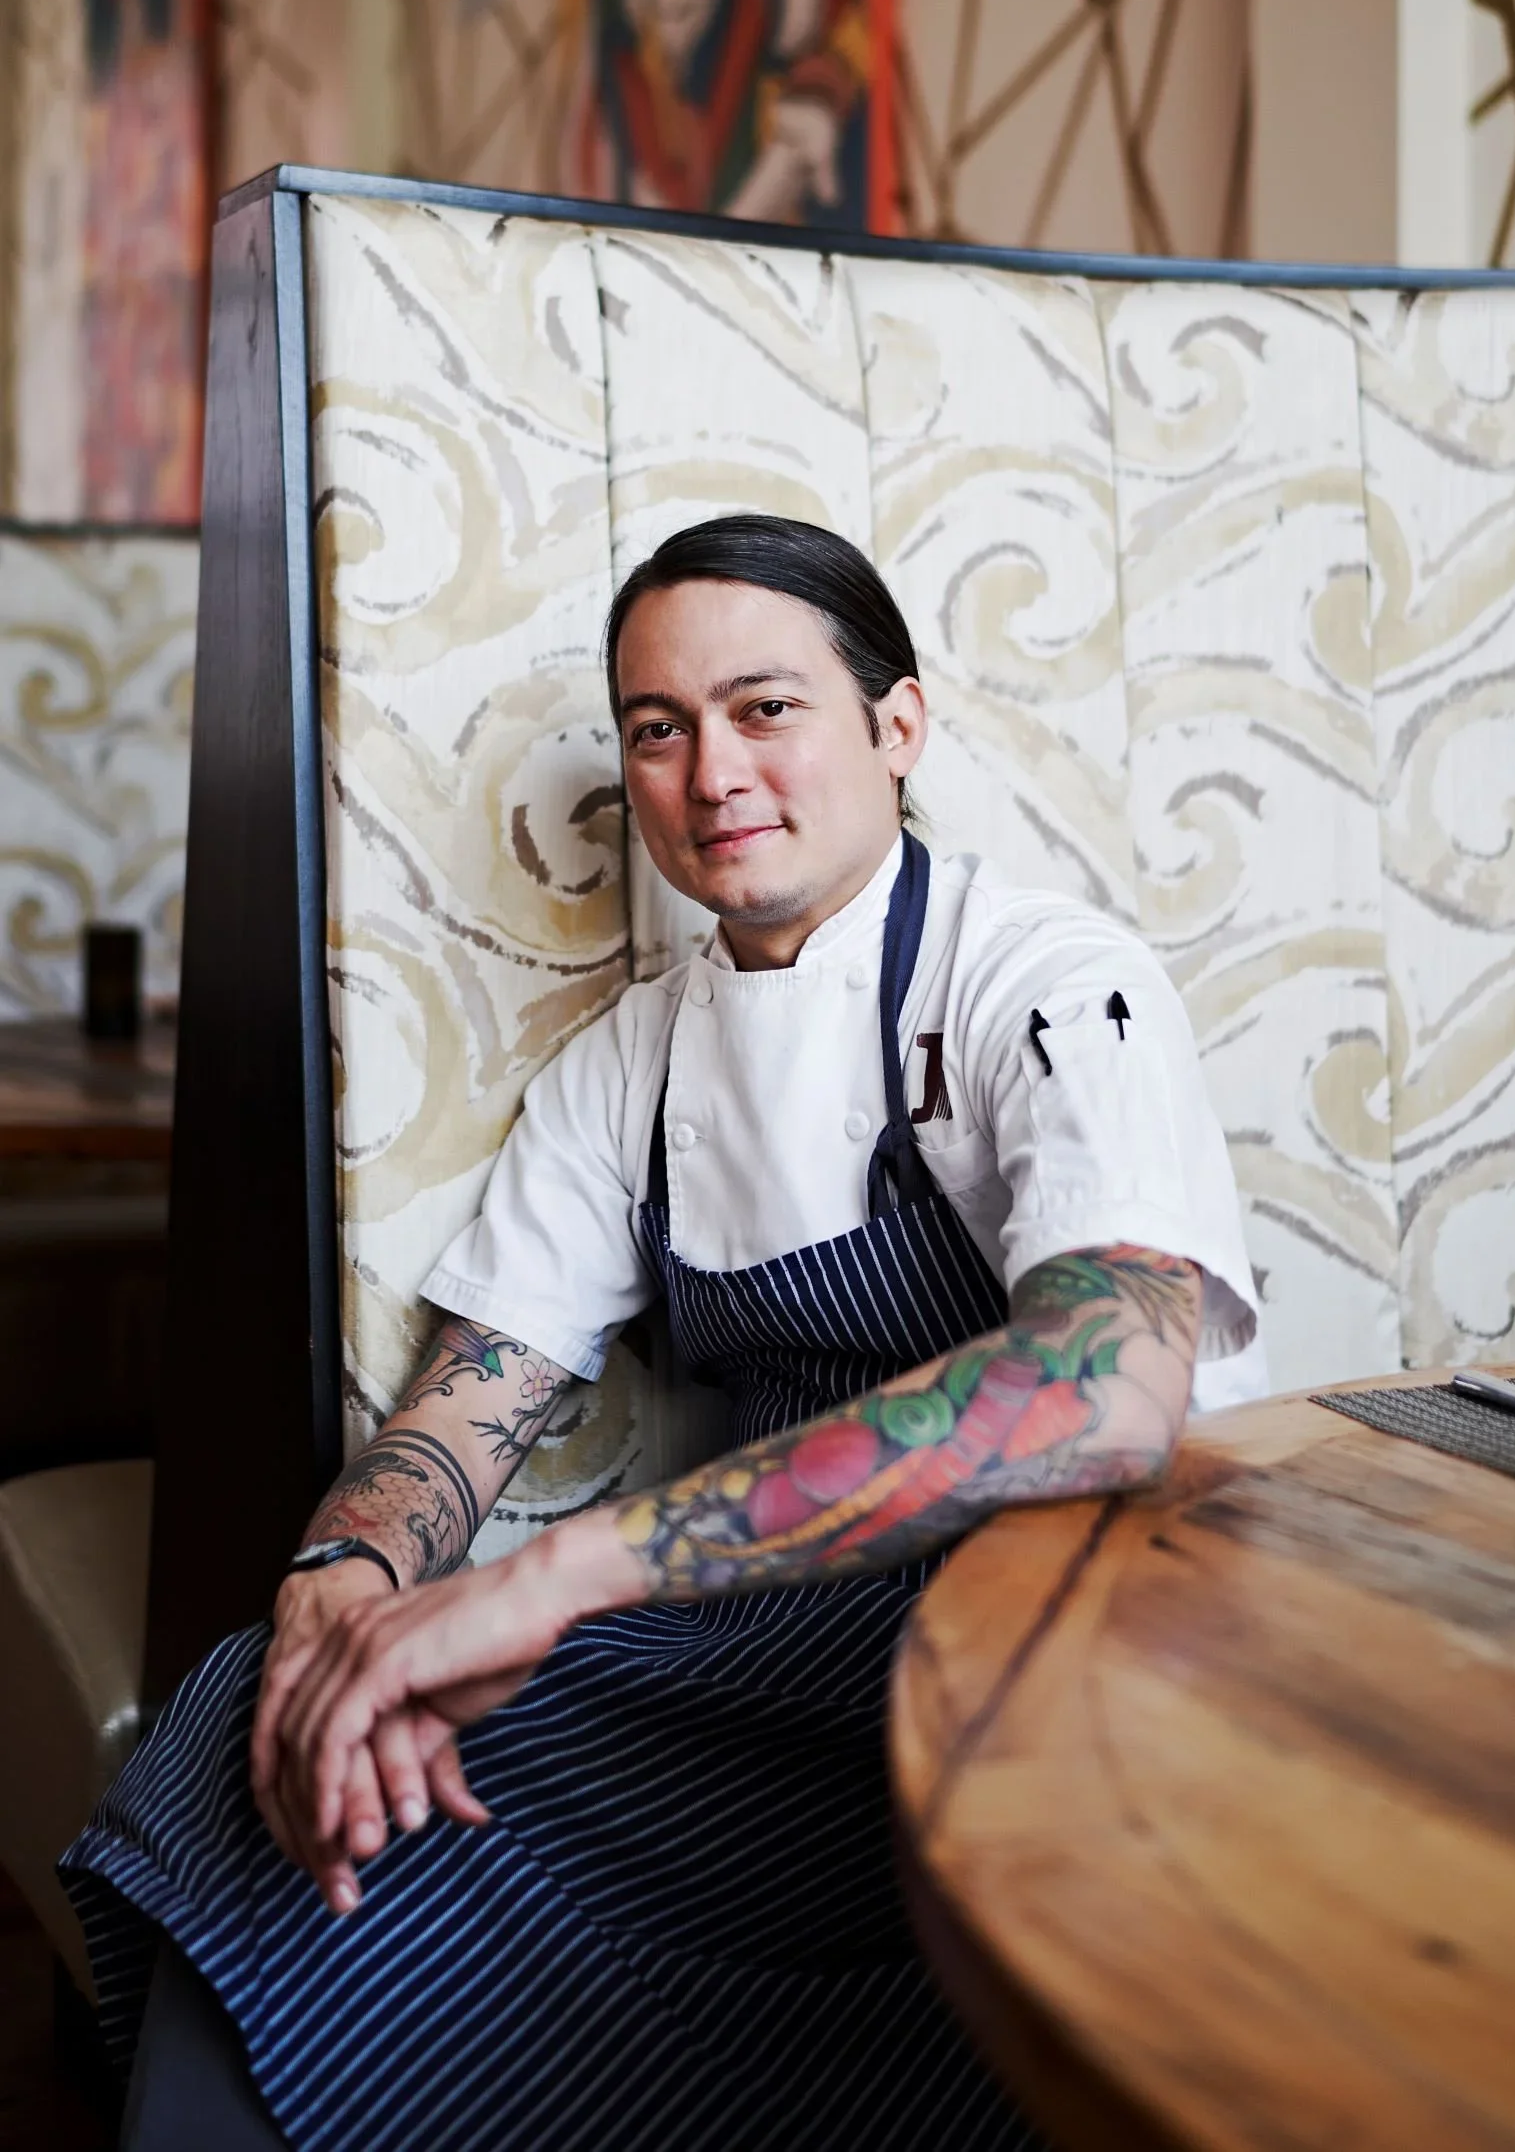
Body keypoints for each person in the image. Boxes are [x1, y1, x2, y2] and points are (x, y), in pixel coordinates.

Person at [63, 514, 1261, 2151]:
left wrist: (561, 1575)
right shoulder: (626, 1069)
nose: (711, 774)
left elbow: (1101, 1386)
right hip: (785, 1647)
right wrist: (342, 1585)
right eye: (657, 728)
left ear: (895, 726)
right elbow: (459, 1416)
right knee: (252, 1710)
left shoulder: (1052, 981)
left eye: (764, 708)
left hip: (1077, 1645)